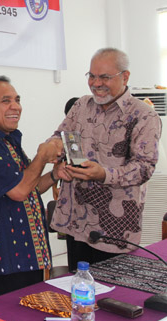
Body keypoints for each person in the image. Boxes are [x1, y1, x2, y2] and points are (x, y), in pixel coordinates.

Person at [50, 48, 162, 271]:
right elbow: (60, 137)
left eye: (104, 77)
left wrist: (103, 174)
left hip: (114, 229)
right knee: (79, 284)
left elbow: (144, 168)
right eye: (91, 76)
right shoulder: (81, 105)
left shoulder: (144, 115)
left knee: (112, 289)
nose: (96, 83)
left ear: (125, 77)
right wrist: (51, 148)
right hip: (76, 220)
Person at [0, 75, 62, 299]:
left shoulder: (7, 140)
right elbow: (19, 191)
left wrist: (55, 174)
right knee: (11, 319)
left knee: (35, 316)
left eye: (17, 100)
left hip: (31, 255)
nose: (16, 107)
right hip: (8, 259)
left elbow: (30, 187)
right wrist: (42, 156)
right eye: (6, 101)